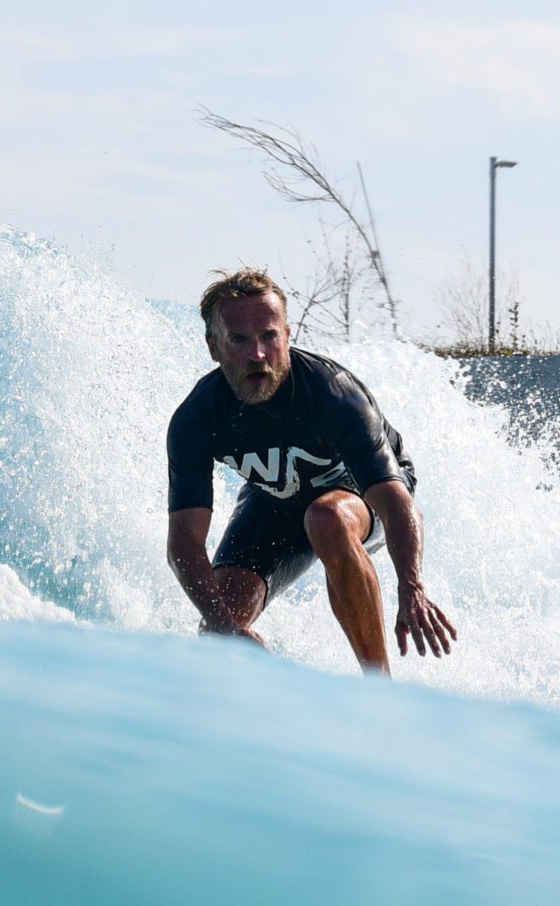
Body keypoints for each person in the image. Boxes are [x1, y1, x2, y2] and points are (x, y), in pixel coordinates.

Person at [165, 268, 457, 673]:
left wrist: (411, 587)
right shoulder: (196, 419)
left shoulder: (333, 395)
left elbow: (395, 502)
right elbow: (183, 543)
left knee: (327, 518)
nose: (258, 355)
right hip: (274, 501)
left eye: (269, 336)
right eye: (239, 340)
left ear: (287, 335)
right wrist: (220, 622)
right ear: (213, 347)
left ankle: (379, 691)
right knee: (219, 631)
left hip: (358, 497)